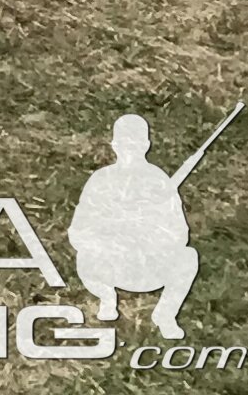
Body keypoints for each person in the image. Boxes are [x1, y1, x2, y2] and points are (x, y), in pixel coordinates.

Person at [71, 115, 204, 340]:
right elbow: (78, 231)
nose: (130, 150)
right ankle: (106, 297)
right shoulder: (100, 180)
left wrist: (150, 230)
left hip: (148, 265)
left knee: (188, 257)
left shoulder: (159, 181)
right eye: (125, 144)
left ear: (146, 145)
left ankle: (165, 314)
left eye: (135, 144)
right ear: (114, 145)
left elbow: (180, 233)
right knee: (85, 256)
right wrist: (112, 233)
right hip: (110, 264)